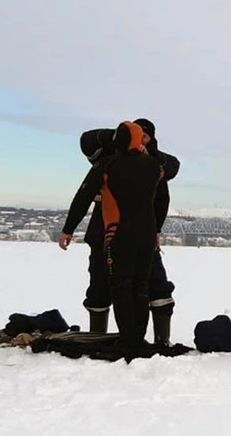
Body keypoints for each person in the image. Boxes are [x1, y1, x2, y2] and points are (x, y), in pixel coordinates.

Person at [59, 121, 163, 355]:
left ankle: (128, 340)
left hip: (118, 234)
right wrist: (158, 231)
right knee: (141, 285)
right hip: (147, 235)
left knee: (121, 285)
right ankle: (138, 337)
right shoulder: (154, 166)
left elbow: (83, 197)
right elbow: (161, 198)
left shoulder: (108, 165)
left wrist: (68, 229)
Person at [78, 118, 180, 345]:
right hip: (105, 234)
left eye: (145, 136)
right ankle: (99, 339)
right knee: (99, 287)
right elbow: (86, 141)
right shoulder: (110, 157)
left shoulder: (153, 163)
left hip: (142, 234)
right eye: (136, 134)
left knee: (155, 287)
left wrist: (148, 150)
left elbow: (173, 168)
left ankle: (159, 340)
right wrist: (119, 136)